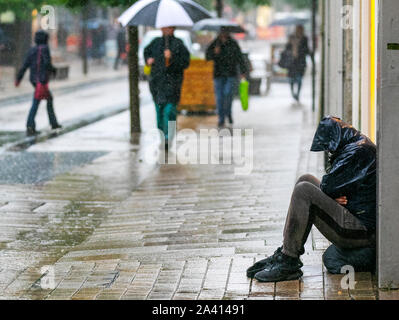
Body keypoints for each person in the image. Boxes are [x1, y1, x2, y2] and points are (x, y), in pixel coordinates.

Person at [247, 116, 376, 282]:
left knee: (304, 191)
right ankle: (285, 251)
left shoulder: (357, 150)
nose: (329, 151)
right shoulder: (355, 144)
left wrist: (331, 194)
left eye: (330, 148)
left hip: (362, 231)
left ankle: (289, 260)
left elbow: (328, 185)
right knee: (305, 179)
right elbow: (332, 184)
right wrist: (333, 196)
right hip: (356, 218)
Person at [144, 26, 190, 148]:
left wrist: (172, 58)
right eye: (164, 27)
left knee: (169, 111)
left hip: (173, 85)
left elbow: (185, 62)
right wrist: (148, 59)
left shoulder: (178, 44)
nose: (165, 30)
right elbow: (146, 52)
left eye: (168, 27)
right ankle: (162, 136)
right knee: (159, 112)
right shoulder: (155, 43)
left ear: (173, 28)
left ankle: (168, 138)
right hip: (157, 85)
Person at [15, 30, 62, 136]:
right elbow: (47, 63)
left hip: (34, 80)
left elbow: (25, 65)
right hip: (42, 81)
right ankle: (31, 124)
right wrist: (53, 71)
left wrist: (18, 79)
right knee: (37, 102)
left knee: (47, 99)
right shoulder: (45, 49)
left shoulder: (32, 50)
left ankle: (51, 123)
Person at [206, 28, 247, 128]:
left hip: (231, 74)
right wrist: (214, 53)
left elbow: (239, 58)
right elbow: (207, 57)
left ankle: (228, 113)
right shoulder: (215, 44)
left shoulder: (233, 44)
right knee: (219, 97)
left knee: (228, 94)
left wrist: (243, 71)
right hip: (218, 74)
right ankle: (221, 118)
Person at [285, 25, 310, 103]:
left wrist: (300, 47)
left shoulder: (304, 38)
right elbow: (286, 48)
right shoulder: (291, 37)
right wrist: (290, 43)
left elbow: (306, 50)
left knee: (299, 80)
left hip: (300, 62)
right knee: (291, 80)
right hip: (292, 63)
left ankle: (297, 94)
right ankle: (293, 94)